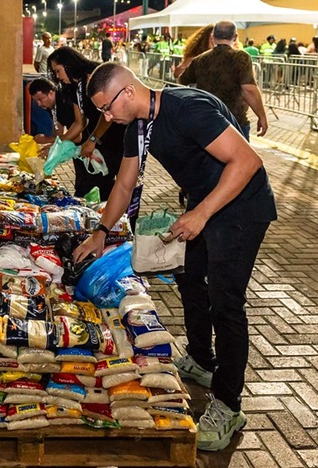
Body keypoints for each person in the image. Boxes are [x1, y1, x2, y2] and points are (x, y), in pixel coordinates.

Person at [77, 61, 277, 452]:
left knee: (226, 304)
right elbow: (123, 182)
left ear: (128, 92)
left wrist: (201, 213)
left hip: (240, 208)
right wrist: (101, 232)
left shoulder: (187, 109)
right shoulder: (138, 125)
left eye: (107, 108)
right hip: (206, 206)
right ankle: (202, 360)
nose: (106, 117)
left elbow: (249, 161)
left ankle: (228, 404)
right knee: (189, 278)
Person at [47, 47, 126, 202]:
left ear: (68, 64)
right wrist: (58, 145)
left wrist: (92, 141)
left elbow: (107, 114)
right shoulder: (72, 87)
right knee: (91, 182)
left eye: (58, 71)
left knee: (116, 183)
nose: (58, 76)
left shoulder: (92, 76)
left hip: (118, 134)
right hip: (99, 136)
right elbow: (79, 122)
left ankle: (115, 219)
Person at [178, 21, 268, 141]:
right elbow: (249, 89)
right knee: (241, 158)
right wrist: (261, 116)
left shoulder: (199, 60)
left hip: (206, 119)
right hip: (235, 121)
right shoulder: (241, 57)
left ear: (213, 37)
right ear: (235, 37)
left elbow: (182, 80)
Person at [27, 77, 79, 145]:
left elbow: (78, 138)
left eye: (40, 99)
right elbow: (58, 130)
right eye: (36, 101)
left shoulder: (66, 103)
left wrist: (47, 139)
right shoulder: (51, 104)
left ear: (51, 93)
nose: (39, 104)